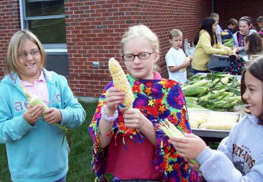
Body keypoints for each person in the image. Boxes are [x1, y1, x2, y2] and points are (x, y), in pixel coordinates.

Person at [89, 24, 200, 182]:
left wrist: (144, 124)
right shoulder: (113, 89)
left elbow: (180, 144)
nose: (136, 61)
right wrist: (109, 111)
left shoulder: (171, 91)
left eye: (143, 55)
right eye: (130, 56)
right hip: (122, 177)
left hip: (159, 176)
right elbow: (101, 142)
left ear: (155, 56)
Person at [0, 30, 86, 182]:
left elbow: (79, 113)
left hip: (57, 170)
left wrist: (61, 115)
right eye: (21, 54)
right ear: (13, 57)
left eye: (34, 52)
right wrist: (24, 122)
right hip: (25, 175)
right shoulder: (5, 89)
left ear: (41, 53)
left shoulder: (57, 81)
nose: (29, 58)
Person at [169, 56, 263, 182]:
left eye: (251, 89)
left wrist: (205, 156)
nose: (245, 95)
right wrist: (205, 163)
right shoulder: (244, 124)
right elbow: (227, 156)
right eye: (245, 88)